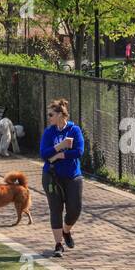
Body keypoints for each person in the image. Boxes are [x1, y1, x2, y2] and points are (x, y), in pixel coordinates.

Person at [39, 98, 85, 259]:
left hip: (73, 176)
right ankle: (58, 245)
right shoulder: (49, 132)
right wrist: (60, 146)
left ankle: (66, 231)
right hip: (51, 177)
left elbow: (78, 151)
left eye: (51, 114)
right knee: (56, 209)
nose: (49, 117)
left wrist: (60, 155)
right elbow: (44, 154)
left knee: (75, 209)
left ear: (60, 115)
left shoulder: (74, 130)